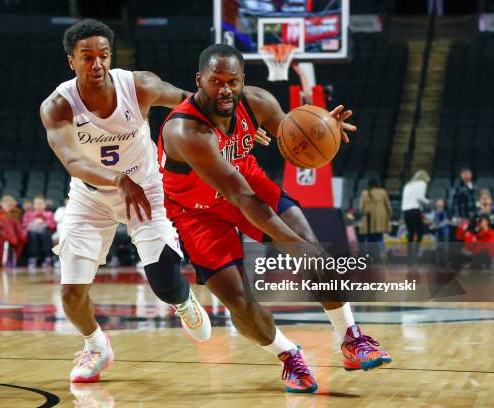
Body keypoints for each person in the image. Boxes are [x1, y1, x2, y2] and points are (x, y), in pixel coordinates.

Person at [158, 44, 391, 393]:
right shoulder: (186, 131)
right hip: (198, 212)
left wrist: (320, 129)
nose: (224, 89)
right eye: (215, 81)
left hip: (247, 179)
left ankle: (351, 338)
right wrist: (292, 245)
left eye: (231, 81)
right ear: (199, 81)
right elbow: (242, 198)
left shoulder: (258, 101)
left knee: (315, 251)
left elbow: (289, 131)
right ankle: (288, 354)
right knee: (238, 300)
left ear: (242, 81)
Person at [39, 19, 216, 383]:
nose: (97, 64)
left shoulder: (138, 85)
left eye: (103, 55)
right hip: (90, 198)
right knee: (72, 296)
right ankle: (97, 346)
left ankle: (184, 302)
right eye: (87, 57)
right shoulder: (58, 106)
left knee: (165, 285)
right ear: (71, 61)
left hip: (147, 187)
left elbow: (191, 103)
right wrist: (119, 180)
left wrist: (239, 120)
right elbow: (72, 162)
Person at [358, 178, 392, 261]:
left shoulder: (364, 193)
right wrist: (390, 215)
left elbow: (360, 208)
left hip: (368, 219)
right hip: (380, 218)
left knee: (368, 237)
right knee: (379, 237)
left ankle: (367, 257)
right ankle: (383, 255)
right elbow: (388, 206)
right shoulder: (382, 192)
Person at [401, 170, 430, 264]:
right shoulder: (422, 183)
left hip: (406, 211)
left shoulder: (407, 185)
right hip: (415, 210)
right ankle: (415, 257)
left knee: (410, 233)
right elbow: (420, 197)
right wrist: (429, 202)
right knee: (420, 232)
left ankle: (409, 258)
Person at [23, 195, 56, 269]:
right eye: (37, 204)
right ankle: (33, 258)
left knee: (45, 234)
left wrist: (45, 223)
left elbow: (53, 226)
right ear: (33, 205)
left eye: (41, 203)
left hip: (45, 232)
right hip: (32, 232)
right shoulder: (28, 214)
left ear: (44, 205)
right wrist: (33, 222)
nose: (39, 205)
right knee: (32, 235)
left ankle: (48, 257)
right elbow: (24, 225)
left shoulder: (49, 214)